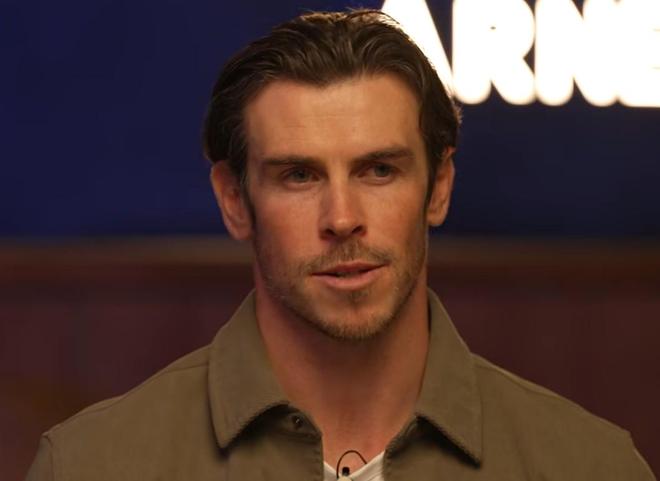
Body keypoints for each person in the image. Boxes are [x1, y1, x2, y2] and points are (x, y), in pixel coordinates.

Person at [26, 9, 655, 481]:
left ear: (438, 188)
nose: (343, 218)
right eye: (299, 176)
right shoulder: (92, 466)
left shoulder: (590, 466)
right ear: (235, 200)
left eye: (379, 170)